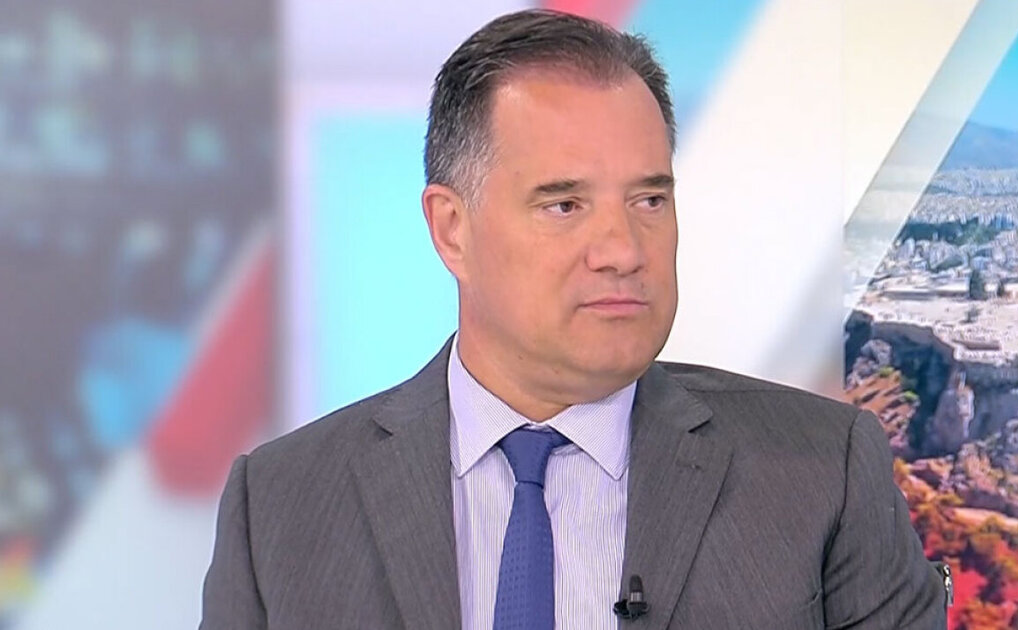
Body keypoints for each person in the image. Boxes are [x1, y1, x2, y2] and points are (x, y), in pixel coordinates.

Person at [200, 9, 946, 630]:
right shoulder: (280, 507)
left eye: (649, 200)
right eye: (564, 205)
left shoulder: (823, 473)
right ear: (452, 230)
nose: (623, 250)